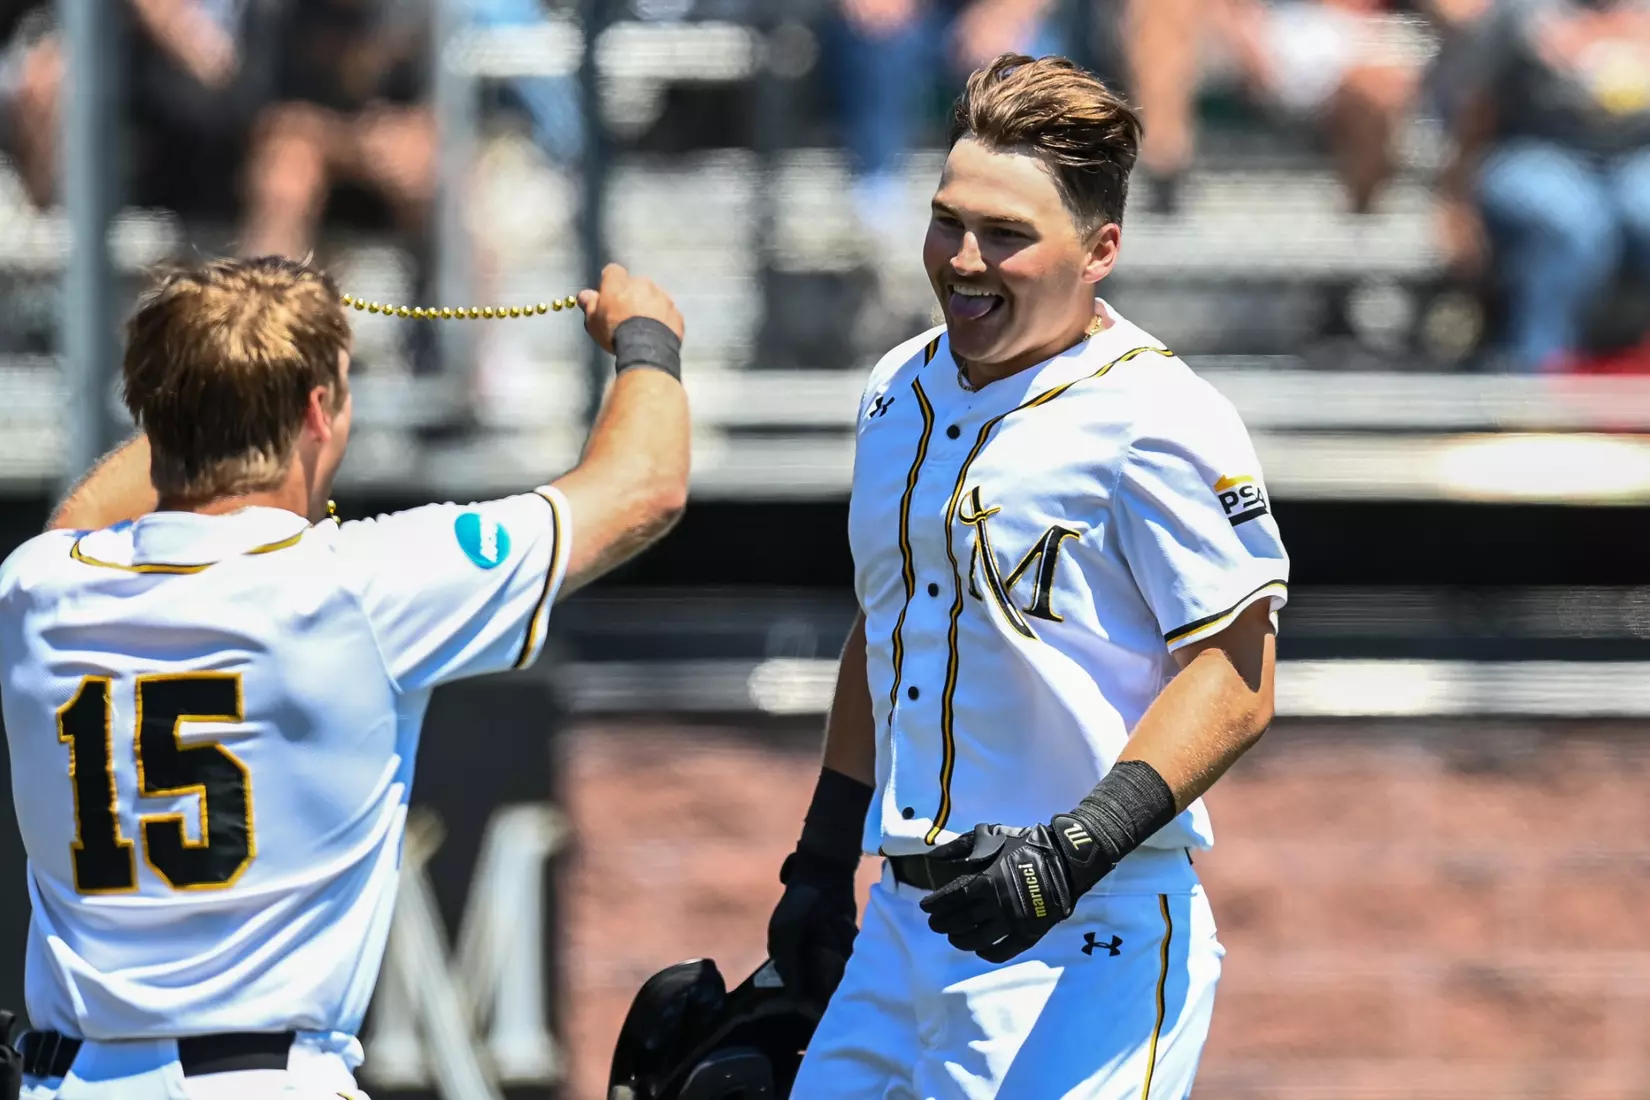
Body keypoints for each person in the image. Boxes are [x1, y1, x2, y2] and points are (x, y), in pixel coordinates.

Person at [0, 256, 689, 1099]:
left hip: (68, 1082)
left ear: (156, 406)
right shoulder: (358, 585)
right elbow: (644, 488)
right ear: (316, 411)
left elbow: (81, 519)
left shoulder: (37, 587)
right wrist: (647, 338)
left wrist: (210, 372)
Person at [766, 55, 1288, 1099]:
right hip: (903, 923)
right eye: (946, 222)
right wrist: (822, 859)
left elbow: (1238, 677)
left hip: (1090, 932)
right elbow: (890, 623)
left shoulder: (1161, 415)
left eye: (1005, 234)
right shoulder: (896, 385)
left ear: (1100, 251)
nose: (964, 260)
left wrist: (1071, 850)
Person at [1439, 0, 1650, 372]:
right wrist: (1455, 202)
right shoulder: (1519, 11)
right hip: (1536, 151)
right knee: (1571, 222)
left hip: (1635, 157)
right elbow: (1476, 104)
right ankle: (1538, 372)